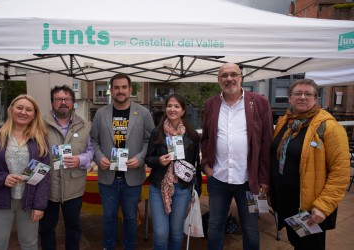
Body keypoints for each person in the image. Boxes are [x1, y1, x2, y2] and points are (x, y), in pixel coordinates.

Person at [270, 79, 350, 250]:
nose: (303, 97)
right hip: (288, 201)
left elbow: (340, 173)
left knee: (310, 246)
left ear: (316, 99)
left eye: (308, 94)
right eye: (298, 93)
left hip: (309, 207)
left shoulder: (330, 128)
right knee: (296, 240)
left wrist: (323, 206)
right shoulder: (285, 122)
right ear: (290, 98)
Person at [201, 62, 273, 250]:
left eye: (233, 74)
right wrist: (206, 166)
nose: (229, 78)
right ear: (218, 80)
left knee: (250, 227)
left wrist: (264, 178)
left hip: (250, 181)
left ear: (241, 77)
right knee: (215, 224)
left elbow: (266, 142)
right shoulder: (211, 104)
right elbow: (206, 138)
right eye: (224, 75)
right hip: (218, 178)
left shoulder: (259, 102)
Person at [0, 94, 50, 249]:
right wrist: (2, 178)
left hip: (28, 201)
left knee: (30, 244)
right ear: (11, 110)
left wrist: (39, 205)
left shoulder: (39, 139)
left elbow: (44, 174)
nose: (23, 112)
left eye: (29, 109)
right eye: (19, 107)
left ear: (34, 114)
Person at [90, 73, 155, 250]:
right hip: (107, 177)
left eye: (124, 87)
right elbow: (93, 141)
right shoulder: (101, 113)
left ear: (130, 89)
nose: (120, 91)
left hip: (132, 177)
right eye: (116, 87)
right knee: (109, 217)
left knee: (131, 217)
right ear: (111, 90)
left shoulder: (142, 113)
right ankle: (108, 247)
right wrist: (99, 157)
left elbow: (151, 140)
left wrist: (140, 158)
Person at [39, 85, 94, 250]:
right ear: (52, 103)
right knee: (47, 229)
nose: (63, 102)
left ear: (73, 102)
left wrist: (80, 159)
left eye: (67, 99)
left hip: (74, 186)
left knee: (73, 228)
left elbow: (91, 151)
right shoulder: (39, 124)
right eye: (58, 99)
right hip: (48, 187)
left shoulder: (85, 126)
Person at [145, 93, 201, 250]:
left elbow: (196, 164)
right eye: (169, 106)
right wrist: (158, 161)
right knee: (161, 233)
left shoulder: (192, 136)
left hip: (182, 188)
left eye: (176, 106)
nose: (172, 109)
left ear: (183, 111)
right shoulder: (157, 132)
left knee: (176, 232)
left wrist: (196, 191)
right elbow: (148, 158)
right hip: (158, 187)